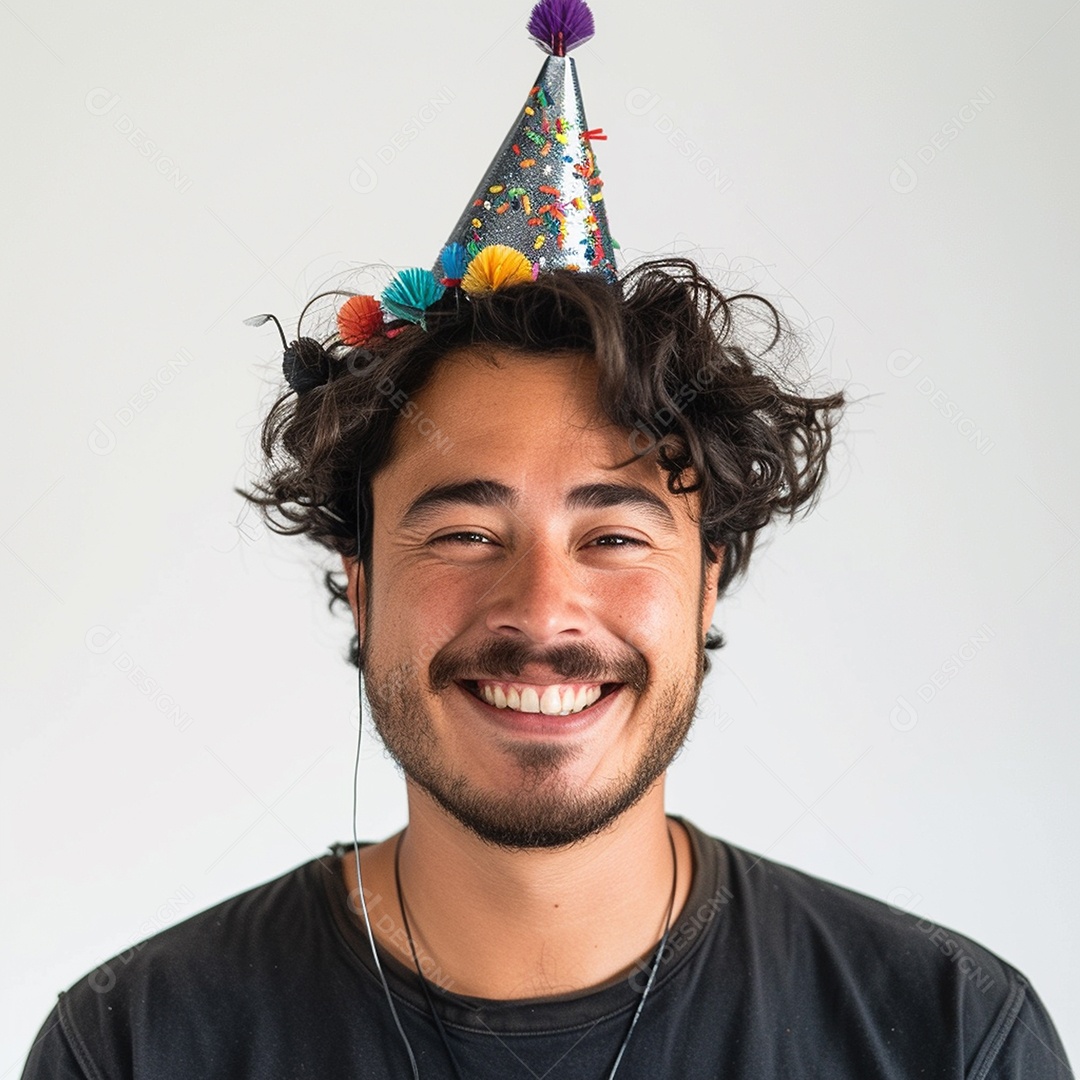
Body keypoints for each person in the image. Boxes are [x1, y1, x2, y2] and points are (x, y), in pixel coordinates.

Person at [20, 1, 1073, 1077]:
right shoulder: (132, 1045)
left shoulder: (951, 1036)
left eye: (613, 536)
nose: (540, 610)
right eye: (468, 532)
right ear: (360, 582)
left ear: (709, 583)